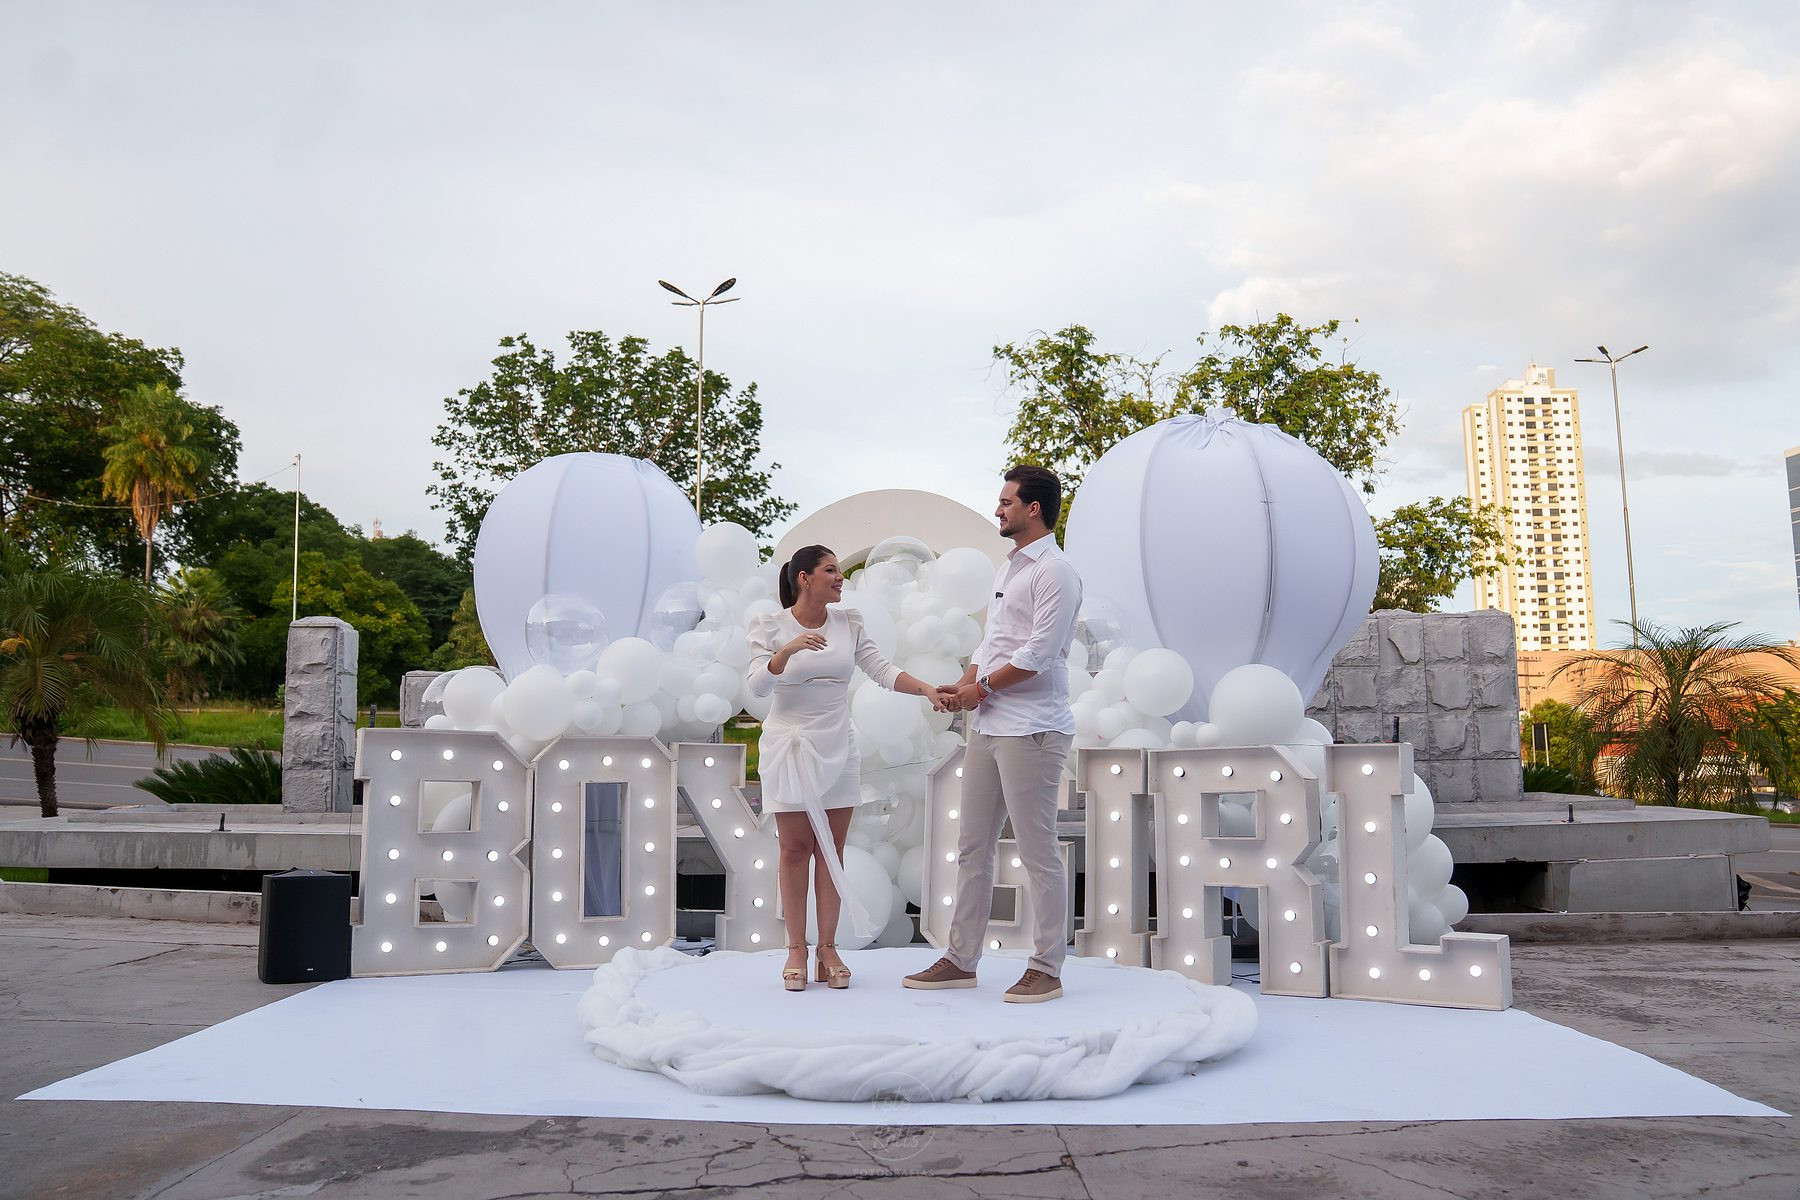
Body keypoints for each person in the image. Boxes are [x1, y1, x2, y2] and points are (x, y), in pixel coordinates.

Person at [903, 465, 1082, 1003]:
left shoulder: (1056, 572)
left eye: (1006, 502)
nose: (998, 510)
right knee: (972, 847)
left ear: (1034, 509)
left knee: (1037, 851)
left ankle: (1046, 968)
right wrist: (964, 686)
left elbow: (1038, 654)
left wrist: (976, 691)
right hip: (988, 725)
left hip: (1033, 727)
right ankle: (961, 960)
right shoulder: (1010, 567)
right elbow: (993, 645)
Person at [746, 545, 951, 991]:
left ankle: (828, 949)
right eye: (831, 570)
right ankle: (796, 949)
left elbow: (882, 670)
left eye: (839, 570)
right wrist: (786, 651)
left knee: (831, 851)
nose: (841, 577)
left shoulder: (849, 623)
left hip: (838, 747)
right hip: (789, 747)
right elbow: (758, 686)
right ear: (804, 578)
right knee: (794, 850)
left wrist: (927, 690)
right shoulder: (770, 626)